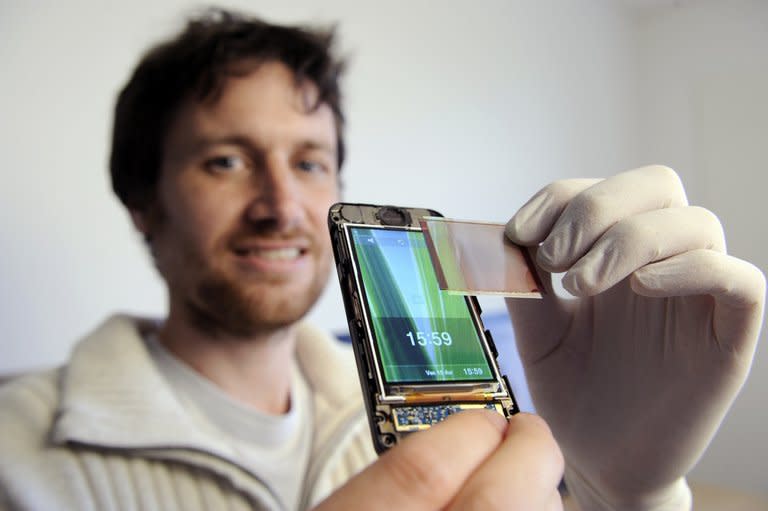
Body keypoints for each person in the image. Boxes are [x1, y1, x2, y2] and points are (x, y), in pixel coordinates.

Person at [0, 8, 763, 511]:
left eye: (309, 163)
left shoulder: (417, 407)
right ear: (142, 199)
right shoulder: (17, 455)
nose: (280, 204)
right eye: (227, 161)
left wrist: (623, 491)